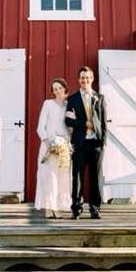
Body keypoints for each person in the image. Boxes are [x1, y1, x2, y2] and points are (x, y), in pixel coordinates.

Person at [64, 66, 107, 219]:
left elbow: (103, 123)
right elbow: (68, 120)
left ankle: (95, 209)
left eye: (87, 77)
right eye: (82, 77)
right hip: (80, 143)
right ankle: (76, 209)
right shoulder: (73, 99)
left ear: (92, 78)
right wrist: (84, 124)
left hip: (96, 143)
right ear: (78, 79)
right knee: (78, 176)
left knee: (95, 177)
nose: (85, 80)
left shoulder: (99, 98)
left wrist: (103, 142)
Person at [34, 77, 72, 218]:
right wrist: (48, 143)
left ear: (65, 89)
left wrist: (67, 142)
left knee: (62, 178)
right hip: (48, 145)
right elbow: (40, 127)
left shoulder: (69, 106)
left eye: (59, 88)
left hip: (64, 146)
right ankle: (49, 208)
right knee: (49, 177)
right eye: (55, 89)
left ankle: (58, 207)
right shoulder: (48, 104)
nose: (57, 91)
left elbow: (69, 127)